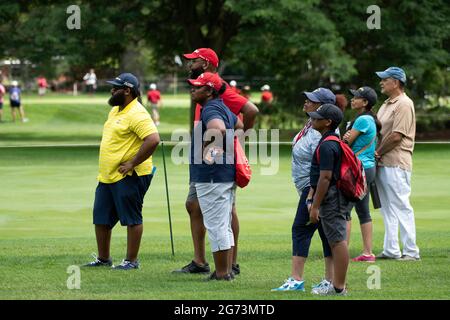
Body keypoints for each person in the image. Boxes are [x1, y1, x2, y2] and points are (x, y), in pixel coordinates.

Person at [173, 48, 259, 276]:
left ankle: (227, 266)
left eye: (194, 61)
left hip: (214, 167)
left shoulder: (217, 93)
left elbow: (250, 111)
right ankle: (205, 262)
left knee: (223, 215)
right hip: (211, 165)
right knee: (196, 206)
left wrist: (225, 146)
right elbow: (233, 124)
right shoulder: (209, 99)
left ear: (206, 63)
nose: (190, 64)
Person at [83, 73, 160, 270]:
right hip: (108, 176)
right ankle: (103, 258)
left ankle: (131, 261)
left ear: (127, 90)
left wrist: (132, 163)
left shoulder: (138, 113)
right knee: (100, 217)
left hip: (130, 175)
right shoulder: (116, 110)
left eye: (116, 88)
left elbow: (153, 139)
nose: (112, 90)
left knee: (132, 218)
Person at [272, 87, 337, 292]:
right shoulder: (312, 125)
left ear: (325, 108)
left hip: (315, 189)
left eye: (312, 101)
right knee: (325, 233)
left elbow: (323, 170)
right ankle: (329, 279)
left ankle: (296, 279)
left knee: (301, 228)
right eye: (308, 99)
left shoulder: (323, 134)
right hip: (308, 187)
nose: (306, 102)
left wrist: (311, 197)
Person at [188, 72, 244, 280]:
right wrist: (229, 147)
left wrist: (208, 150)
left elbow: (218, 129)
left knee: (216, 225)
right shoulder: (222, 107)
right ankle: (226, 270)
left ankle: (222, 273)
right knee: (224, 223)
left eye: (198, 86)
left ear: (210, 90)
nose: (192, 89)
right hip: (222, 174)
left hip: (212, 176)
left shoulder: (210, 108)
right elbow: (238, 126)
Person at [374, 67, 420, 261]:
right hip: (384, 162)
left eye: (385, 79)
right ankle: (391, 249)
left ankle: (411, 251)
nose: (381, 82)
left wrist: (377, 152)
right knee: (387, 208)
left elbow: (396, 136)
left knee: (401, 205)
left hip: (396, 162)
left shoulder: (404, 103)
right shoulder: (386, 104)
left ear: (396, 82)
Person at [307, 104, 349, 296]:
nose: (313, 119)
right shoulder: (331, 140)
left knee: (338, 241)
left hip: (332, 198)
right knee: (335, 240)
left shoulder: (327, 145)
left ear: (328, 122)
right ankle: (338, 285)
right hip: (335, 197)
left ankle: (339, 287)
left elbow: (325, 177)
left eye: (317, 118)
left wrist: (315, 206)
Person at [342, 86, 381, 262]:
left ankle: (341, 252)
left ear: (365, 102)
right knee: (363, 211)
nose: (352, 99)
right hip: (368, 168)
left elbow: (346, 143)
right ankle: (368, 252)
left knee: (345, 210)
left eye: (356, 97)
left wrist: (346, 136)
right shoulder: (367, 119)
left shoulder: (362, 119)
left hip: (358, 169)